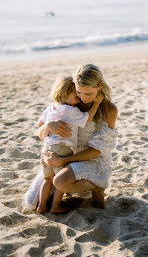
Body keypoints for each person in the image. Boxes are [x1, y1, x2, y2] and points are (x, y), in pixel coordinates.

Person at [24, 64, 117, 212]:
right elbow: (41, 136)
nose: (83, 98)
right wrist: (48, 125)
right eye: (79, 92)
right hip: (65, 156)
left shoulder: (109, 109)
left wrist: (62, 161)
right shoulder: (70, 103)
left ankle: (96, 186)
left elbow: (95, 151)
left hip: (92, 161)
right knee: (31, 202)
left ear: (99, 86)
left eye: (88, 94)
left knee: (59, 181)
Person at [37, 75, 104, 214]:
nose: (79, 99)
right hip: (62, 149)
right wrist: (96, 104)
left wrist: (50, 125)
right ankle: (55, 206)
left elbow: (40, 125)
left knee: (48, 180)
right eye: (76, 96)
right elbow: (86, 119)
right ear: (66, 94)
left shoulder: (50, 108)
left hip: (46, 149)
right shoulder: (70, 110)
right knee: (59, 181)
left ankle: (42, 206)